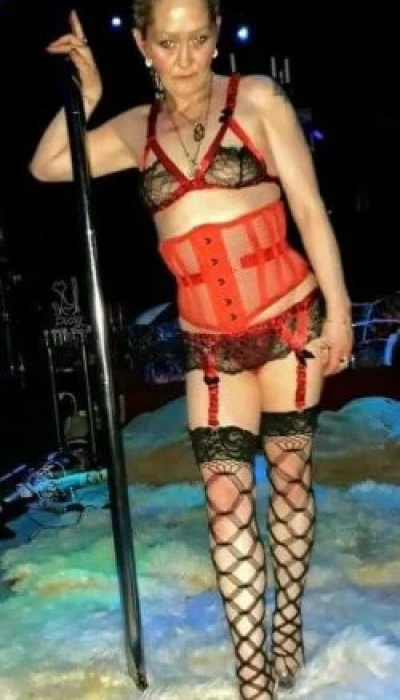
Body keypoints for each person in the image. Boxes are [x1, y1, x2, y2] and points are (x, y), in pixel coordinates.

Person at [29, 1, 354, 698]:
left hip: (288, 322)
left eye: (199, 39)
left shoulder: (258, 99)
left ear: (215, 36)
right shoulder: (136, 130)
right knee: (225, 500)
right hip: (210, 344)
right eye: (169, 43)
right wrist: (89, 97)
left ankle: (288, 622)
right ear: (143, 44)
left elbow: (307, 208)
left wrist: (341, 313)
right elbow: (49, 165)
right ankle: (252, 680)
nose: (186, 59)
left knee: (289, 481)